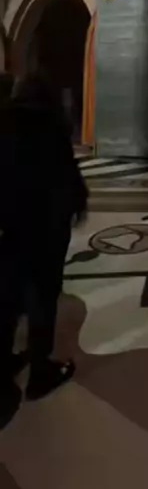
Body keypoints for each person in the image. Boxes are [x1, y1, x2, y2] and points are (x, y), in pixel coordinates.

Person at [0, 74, 88, 430]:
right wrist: (78, 204)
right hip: (45, 233)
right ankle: (40, 372)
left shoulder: (3, 124)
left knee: (7, 298)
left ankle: (4, 361)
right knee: (43, 300)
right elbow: (66, 177)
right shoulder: (51, 128)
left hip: (8, 230)